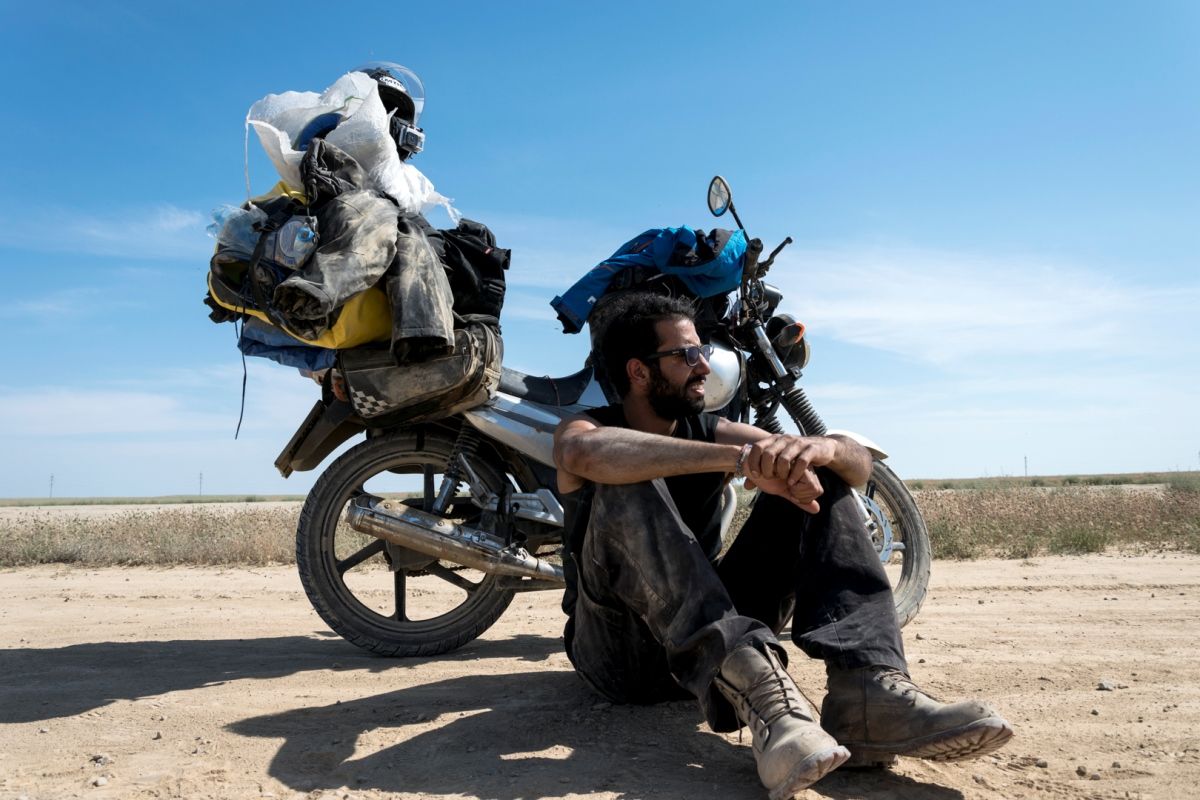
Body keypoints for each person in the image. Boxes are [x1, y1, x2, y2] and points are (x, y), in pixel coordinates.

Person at [552, 291, 1012, 799]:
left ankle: (865, 695)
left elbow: (859, 466)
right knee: (622, 474)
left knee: (818, 470)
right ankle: (768, 704)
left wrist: (820, 449)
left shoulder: (710, 427)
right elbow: (582, 454)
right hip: (620, 658)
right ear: (639, 372)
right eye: (687, 354)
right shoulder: (588, 428)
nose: (704, 365)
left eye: (703, 350)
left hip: (703, 654)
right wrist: (739, 459)